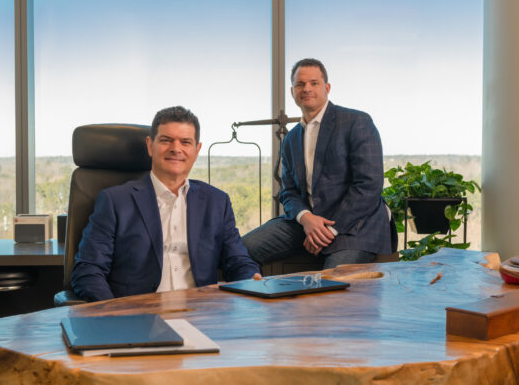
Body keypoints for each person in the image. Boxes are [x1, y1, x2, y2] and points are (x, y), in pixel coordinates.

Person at [71, 106, 261, 301]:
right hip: (139, 318)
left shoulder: (217, 202)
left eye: (185, 142)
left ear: (197, 150)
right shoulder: (115, 201)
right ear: (149, 145)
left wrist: (252, 279)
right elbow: (89, 270)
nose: (176, 148)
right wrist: (115, 315)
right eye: (166, 140)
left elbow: (237, 261)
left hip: (201, 314)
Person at [243, 58, 393, 269]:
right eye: (300, 84)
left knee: (331, 284)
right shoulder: (291, 138)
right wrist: (306, 219)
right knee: (241, 249)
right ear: (292, 91)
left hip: (354, 225)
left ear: (327, 87)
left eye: (314, 83)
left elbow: (368, 186)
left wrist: (328, 230)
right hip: (307, 223)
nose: (307, 89)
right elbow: (289, 191)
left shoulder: (356, 122)